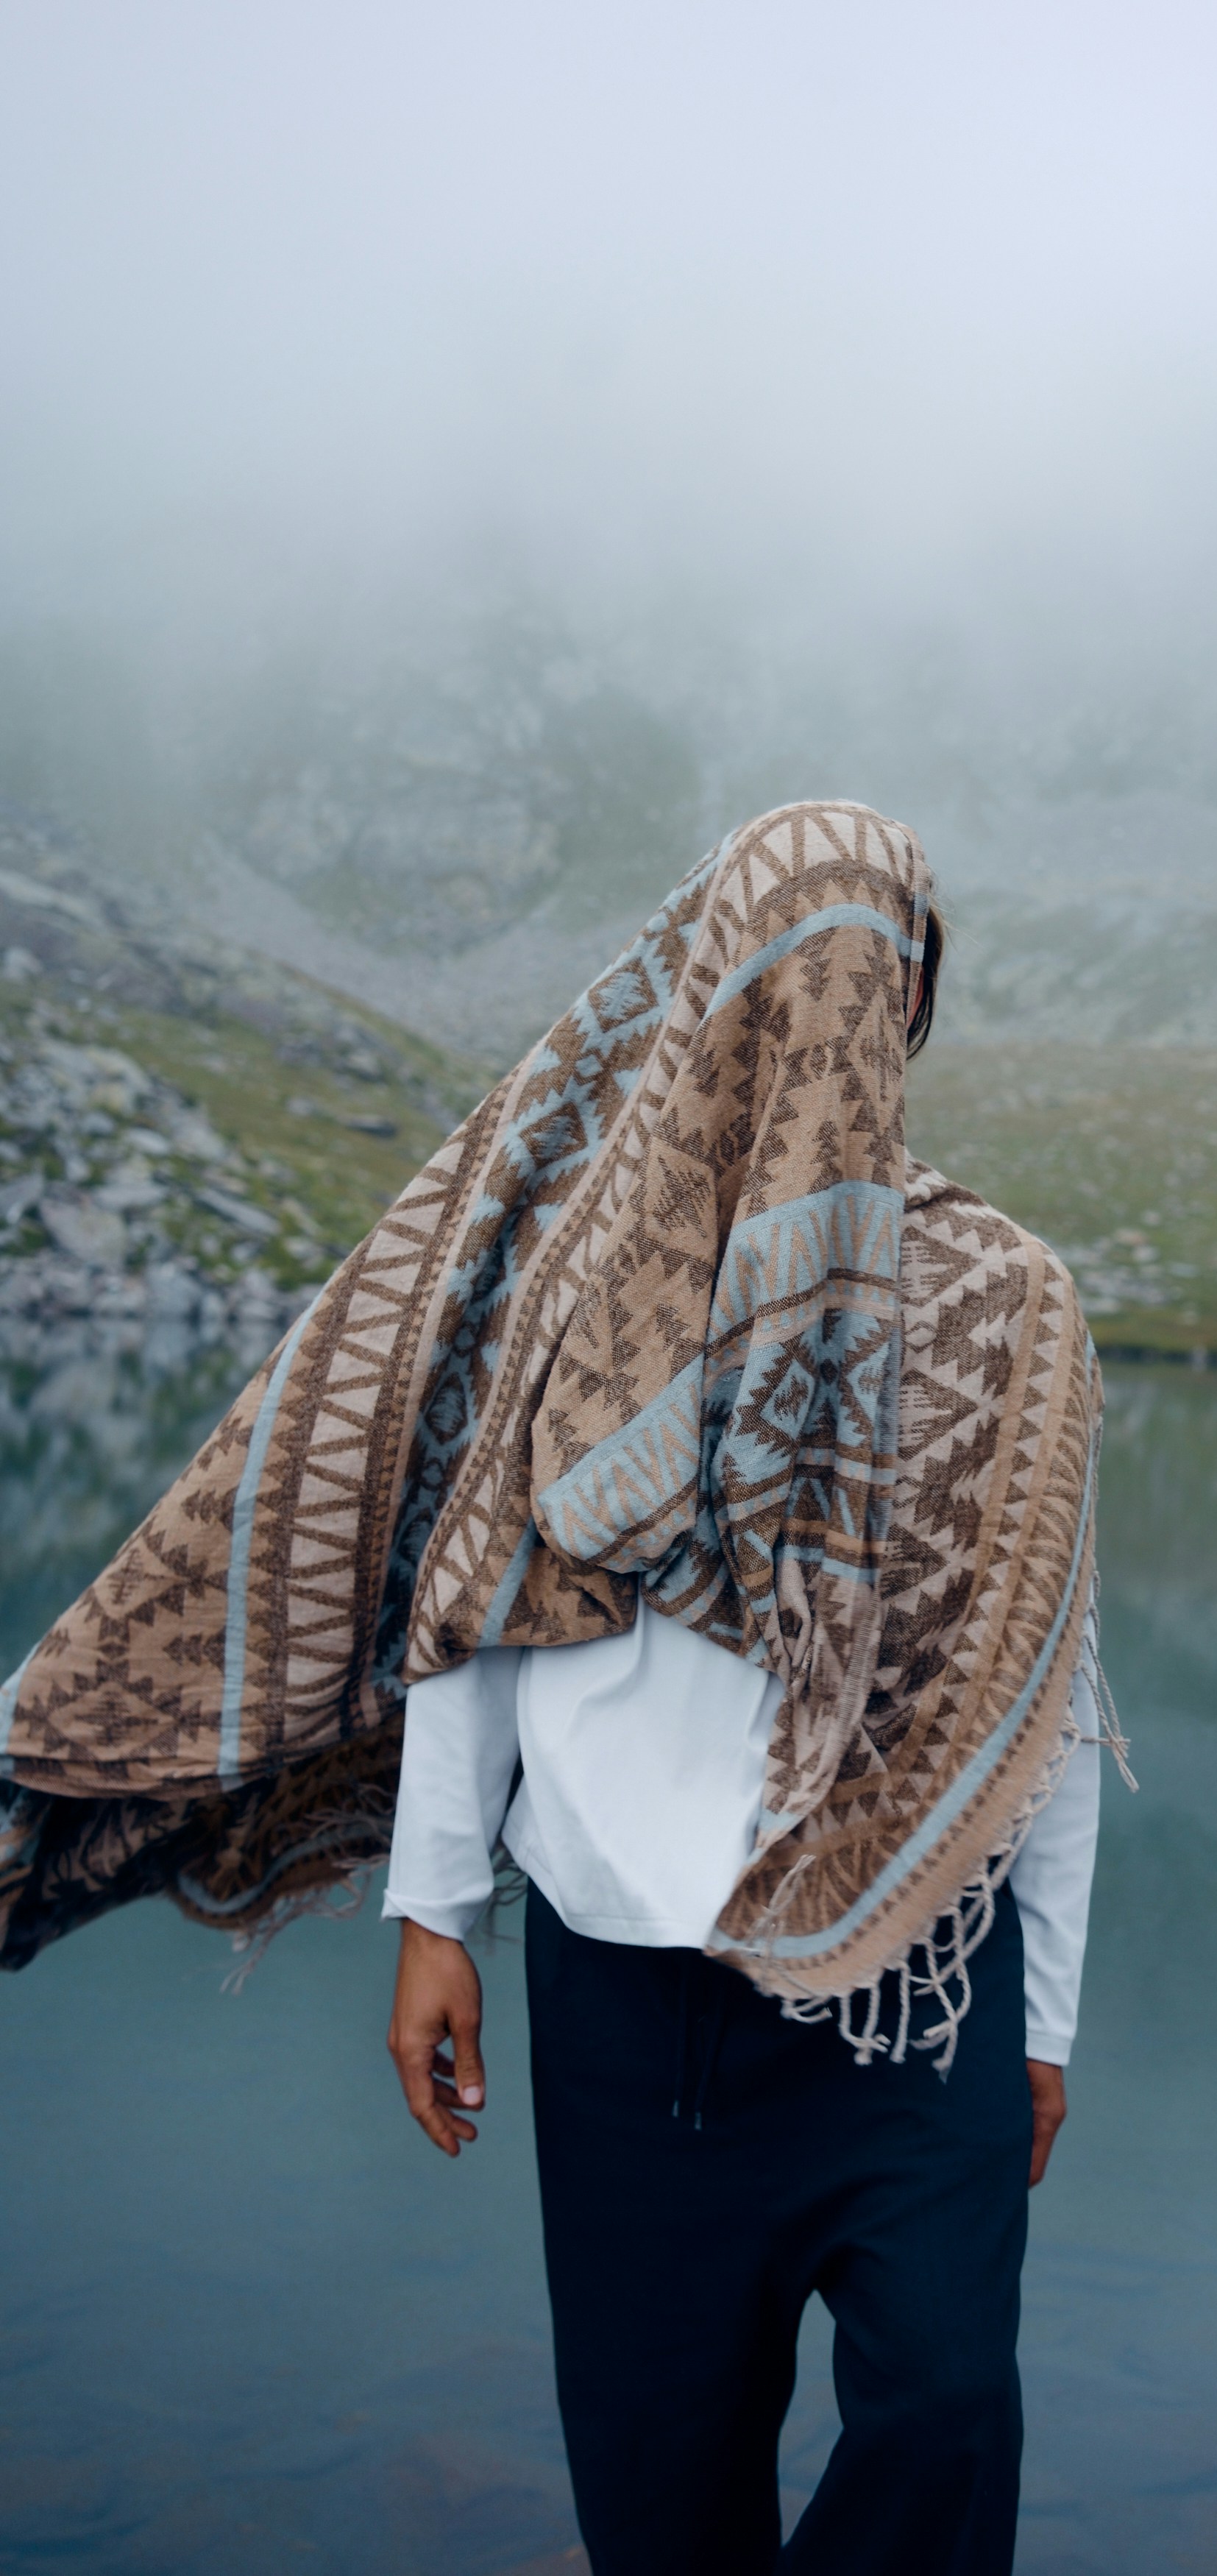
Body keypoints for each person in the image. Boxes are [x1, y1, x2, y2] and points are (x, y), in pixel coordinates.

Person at [0, 802, 1111, 2576]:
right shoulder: (586, 1301)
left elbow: (1036, 1704)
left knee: (948, 2416)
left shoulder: (1007, 1305)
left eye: (868, 965)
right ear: (717, 987)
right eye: (791, 962)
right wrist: (435, 1910)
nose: (827, 1008)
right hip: (628, 2015)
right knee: (661, 2491)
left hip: (918, 2001)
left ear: (911, 1000)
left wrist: (1040, 2019)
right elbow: (480, 1611)